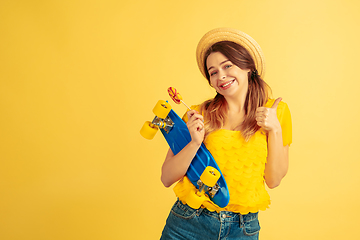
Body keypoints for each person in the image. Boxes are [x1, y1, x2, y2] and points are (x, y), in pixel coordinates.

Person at [160, 28, 292, 240]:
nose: (221, 76)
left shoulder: (276, 113)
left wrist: (274, 129)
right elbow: (166, 178)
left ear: (248, 66)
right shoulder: (197, 115)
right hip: (188, 223)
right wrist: (194, 142)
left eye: (227, 66)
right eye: (213, 72)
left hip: (242, 229)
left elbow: (274, 180)